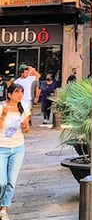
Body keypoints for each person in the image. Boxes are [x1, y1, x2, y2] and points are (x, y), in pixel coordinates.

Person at [0, 83, 30, 218]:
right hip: (2, 147)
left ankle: (4, 208)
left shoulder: (23, 107)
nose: (20, 95)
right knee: (2, 181)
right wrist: (3, 115)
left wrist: (25, 126)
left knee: (11, 181)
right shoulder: (1, 107)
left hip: (18, 147)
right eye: (17, 92)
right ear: (10, 94)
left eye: (21, 92)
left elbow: (26, 130)